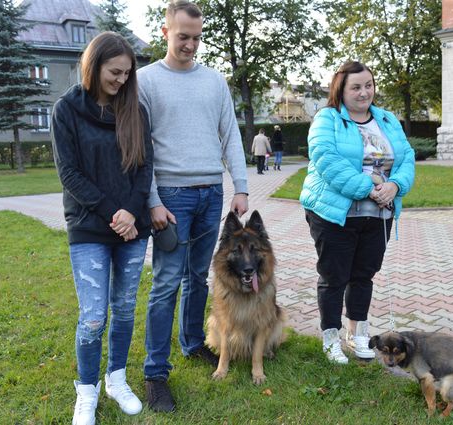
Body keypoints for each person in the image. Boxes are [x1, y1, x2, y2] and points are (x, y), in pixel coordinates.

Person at [136, 0, 249, 413]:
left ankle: (191, 343)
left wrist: (240, 187)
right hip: (171, 197)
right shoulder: (145, 81)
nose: (190, 45)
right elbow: (140, 148)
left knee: (199, 277)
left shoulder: (215, 81)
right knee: (167, 283)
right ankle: (155, 373)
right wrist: (151, 201)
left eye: (197, 38)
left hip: (210, 194)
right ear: (165, 32)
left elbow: (230, 135)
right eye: (183, 37)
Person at [51, 32, 154, 424]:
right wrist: (116, 213)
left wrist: (131, 212)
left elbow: (144, 168)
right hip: (89, 227)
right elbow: (69, 174)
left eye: (128, 73)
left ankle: (116, 379)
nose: (122, 81)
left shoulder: (135, 111)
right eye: (115, 72)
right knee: (94, 316)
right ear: (93, 66)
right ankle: (87, 390)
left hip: (132, 227)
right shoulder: (67, 110)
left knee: (125, 309)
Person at [300, 60, 415, 364]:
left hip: (378, 215)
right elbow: (326, 160)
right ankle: (331, 338)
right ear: (341, 89)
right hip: (335, 214)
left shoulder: (387, 120)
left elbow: (407, 158)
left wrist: (396, 187)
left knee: (364, 275)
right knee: (334, 277)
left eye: (368, 85)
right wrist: (368, 187)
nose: (364, 93)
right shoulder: (328, 119)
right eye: (356, 87)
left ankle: (358, 334)